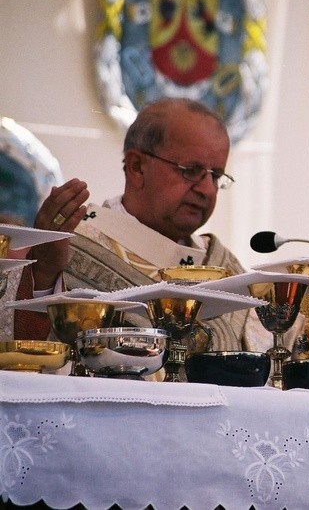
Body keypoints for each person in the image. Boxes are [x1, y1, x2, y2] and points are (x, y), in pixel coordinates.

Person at [14, 99, 268, 352]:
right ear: (137, 167)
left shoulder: (225, 268)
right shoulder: (70, 246)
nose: (206, 189)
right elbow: (23, 346)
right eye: (191, 170)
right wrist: (45, 274)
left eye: (215, 176)